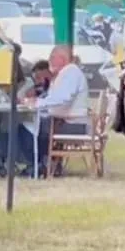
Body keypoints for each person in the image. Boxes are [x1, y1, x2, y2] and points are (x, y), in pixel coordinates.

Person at [29, 45, 89, 174]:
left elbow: (63, 98)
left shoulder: (71, 72)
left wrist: (37, 103)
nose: (49, 61)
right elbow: (56, 100)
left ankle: (39, 165)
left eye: (52, 58)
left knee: (33, 126)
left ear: (61, 59)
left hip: (74, 125)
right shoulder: (65, 74)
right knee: (38, 123)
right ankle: (44, 164)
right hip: (67, 122)